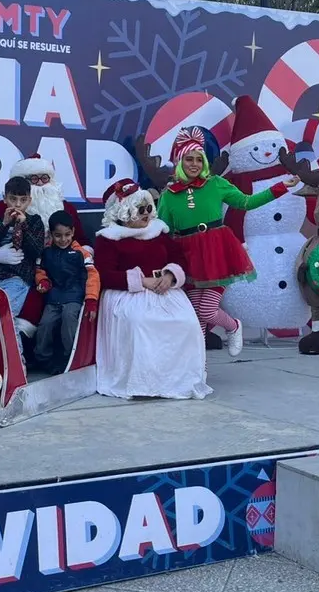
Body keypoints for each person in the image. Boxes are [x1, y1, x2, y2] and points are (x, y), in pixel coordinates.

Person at [157, 127, 295, 358]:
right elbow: (164, 230)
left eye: (199, 160)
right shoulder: (169, 195)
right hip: (187, 256)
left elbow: (247, 202)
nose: (194, 164)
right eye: (189, 159)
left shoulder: (216, 183)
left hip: (215, 253)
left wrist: (280, 187)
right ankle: (197, 368)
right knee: (196, 314)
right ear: (180, 161)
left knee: (207, 310)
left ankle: (233, 326)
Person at [94, 179, 210, 400]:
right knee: (141, 323)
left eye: (149, 208)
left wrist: (170, 274)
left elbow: (178, 258)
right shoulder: (109, 239)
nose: (147, 214)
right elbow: (105, 275)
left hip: (164, 290)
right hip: (128, 294)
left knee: (186, 323)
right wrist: (140, 281)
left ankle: (180, 379)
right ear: (125, 211)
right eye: (141, 210)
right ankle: (145, 383)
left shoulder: (158, 232)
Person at [0, 152, 86, 335]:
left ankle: (21, 355)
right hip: (11, 272)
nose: (40, 183)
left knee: (28, 309)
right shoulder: (1, 211)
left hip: (57, 274)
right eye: (34, 179)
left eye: (44, 178)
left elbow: (82, 243)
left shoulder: (65, 209)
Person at [0, 176, 46, 353]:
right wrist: (3, 224)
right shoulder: (0, 221)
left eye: (23, 200)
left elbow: (36, 250)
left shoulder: (34, 221)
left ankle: (18, 363)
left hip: (19, 279)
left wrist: (23, 224)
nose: (17, 205)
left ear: (29, 201)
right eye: (13, 199)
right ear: (5, 199)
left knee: (5, 317)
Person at [34, 210, 100, 372]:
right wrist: (43, 281)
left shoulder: (81, 253)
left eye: (67, 234)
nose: (63, 239)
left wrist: (91, 300)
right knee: (45, 324)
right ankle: (42, 359)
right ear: (51, 234)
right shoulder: (46, 252)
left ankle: (70, 360)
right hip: (54, 298)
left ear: (73, 232)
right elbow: (39, 271)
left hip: (74, 297)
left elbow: (93, 276)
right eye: (58, 235)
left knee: (69, 320)